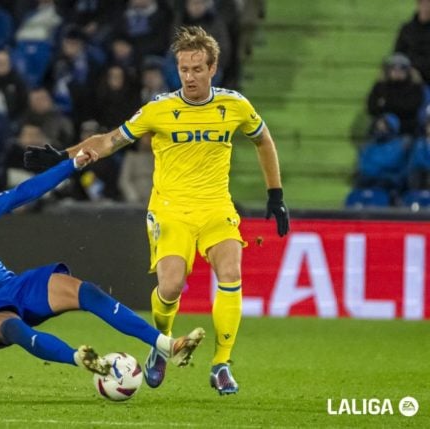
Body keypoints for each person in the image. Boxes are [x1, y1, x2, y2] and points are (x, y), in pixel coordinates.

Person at [24, 25, 290, 396]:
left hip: (216, 207)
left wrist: (275, 194)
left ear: (213, 68)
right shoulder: (160, 110)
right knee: (171, 285)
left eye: (198, 69)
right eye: (184, 69)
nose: (190, 76)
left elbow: (263, 140)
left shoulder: (235, 106)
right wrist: (62, 157)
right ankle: (161, 343)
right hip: (170, 209)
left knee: (230, 271)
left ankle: (221, 364)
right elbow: (109, 141)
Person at [0, 152, 205, 380]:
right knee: (11, 326)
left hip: (12, 285)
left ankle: (167, 346)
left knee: (85, 291)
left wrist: (71, 165)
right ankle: (81, 359)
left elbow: (24, 192)